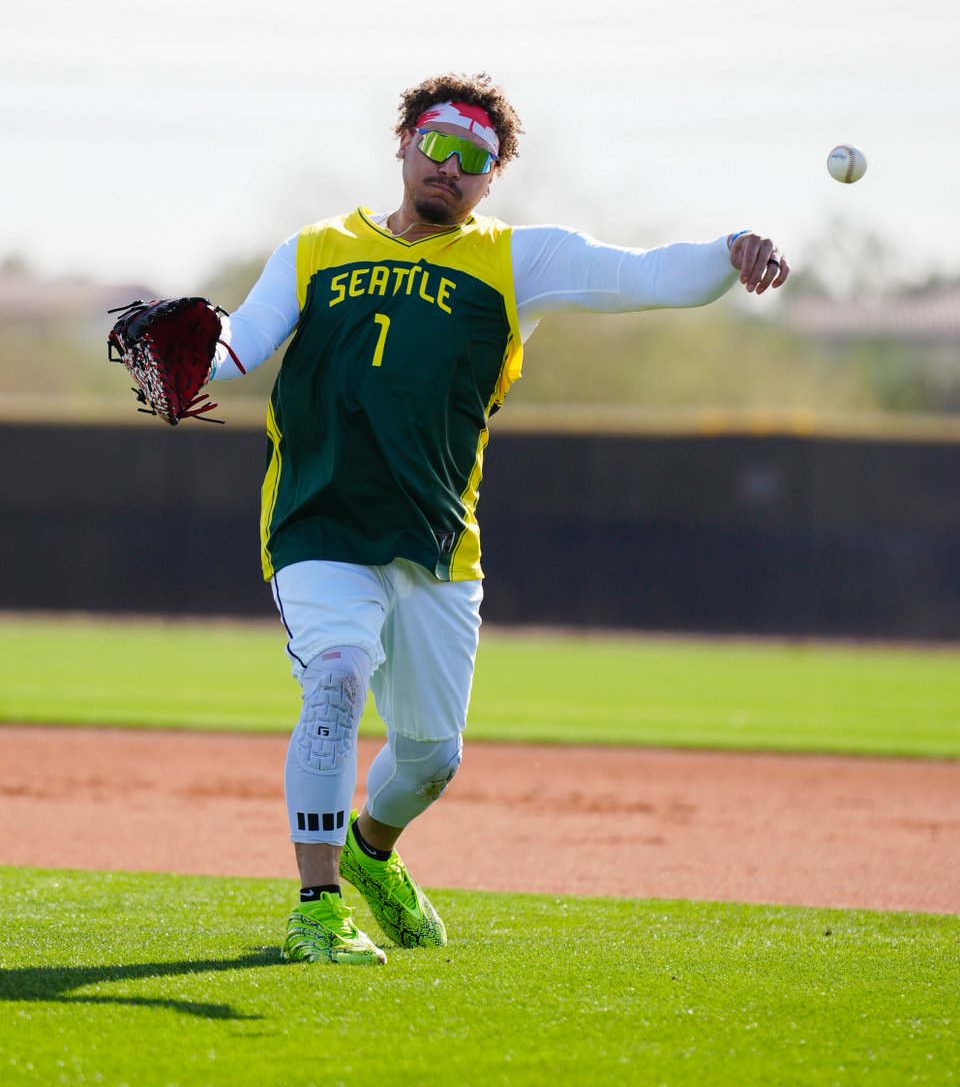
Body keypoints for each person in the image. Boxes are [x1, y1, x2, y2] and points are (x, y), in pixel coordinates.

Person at [208, 71, 790, 966]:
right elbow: (235, 347)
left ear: (491, 181)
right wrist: (189, 361)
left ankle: (370, 852)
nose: (451, 167)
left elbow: (644, 276)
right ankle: (317, 906)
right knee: (335, 676)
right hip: (318, 522)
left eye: (475, 160)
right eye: (438, 145)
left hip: (438, 545)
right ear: (404, 144)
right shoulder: (314, 250)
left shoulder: (515, 260)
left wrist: (731, 250)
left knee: (432, 759)